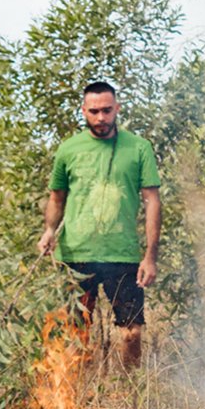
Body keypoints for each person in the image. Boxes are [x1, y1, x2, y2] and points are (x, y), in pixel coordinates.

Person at [37, 81, 162, 370]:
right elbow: (57, 198)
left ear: (117, 108)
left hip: (124, 255)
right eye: (94, 111)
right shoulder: (69, 149)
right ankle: (75, 402)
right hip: (75, 254)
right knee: (74, 335)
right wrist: (48, 231)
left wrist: (150, 256)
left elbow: (152, 201)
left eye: (107, 110)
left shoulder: (139, 148)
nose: (101, 118)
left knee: (131, 333)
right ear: (83, 111)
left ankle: (128, 398)